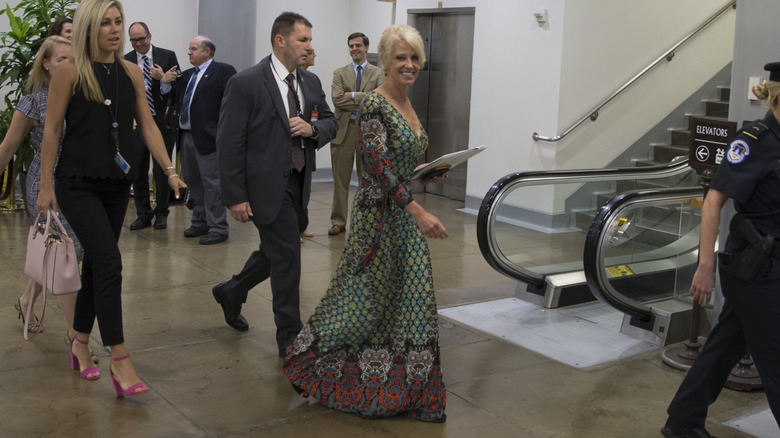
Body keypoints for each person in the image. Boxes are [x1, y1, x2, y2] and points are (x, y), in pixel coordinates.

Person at [283, 24, 448, 422]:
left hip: (402, 211)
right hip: (379, 217)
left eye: (415, 58)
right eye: (401, 58)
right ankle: (309, 361)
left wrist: (426, 172)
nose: (409, 65)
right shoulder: (375, 103)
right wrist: (418, 210)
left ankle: (410, 385)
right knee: (359, 298)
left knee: (411, 299)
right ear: (385, 62)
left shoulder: (407, 104)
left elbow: (398, 164)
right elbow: (377, 165)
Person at [36, 0, 186, 396]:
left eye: (118, 21)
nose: (115, 29)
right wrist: (46, 186)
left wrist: (169, 170)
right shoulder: (69, 71)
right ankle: (120, 358)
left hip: (117, 182)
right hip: (76, 182)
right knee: (109, 261)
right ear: (89, 28)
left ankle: (80, 343)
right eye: (105, 23)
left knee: (95, 265)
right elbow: (52, 130)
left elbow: (148, 125)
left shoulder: (132, 72)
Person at [661, 62, 780, 438]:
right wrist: (704, 266)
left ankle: (683, 421)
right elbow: (713, 201)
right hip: (756, 268)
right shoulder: (756, 141)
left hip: (770, 268)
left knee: (725, 346)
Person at [214, 12, 337, 356]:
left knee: (276, 251)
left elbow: (331, 122)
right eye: (303, 40)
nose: (309, 46)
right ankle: (290, 338)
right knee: (288, 256)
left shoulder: (309, 82)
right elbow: (229, 143)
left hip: (299, 183)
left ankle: (231, 291)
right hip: (264, 187)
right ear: (280, 40)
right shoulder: (246, 83)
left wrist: (312, 129)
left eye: (310, 40)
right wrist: (235, 196)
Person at [0, 36, 80, 339]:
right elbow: (8, 147)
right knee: (64, 256)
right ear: (46, 64)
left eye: (72, 59)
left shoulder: (82, 98)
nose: (68, 65)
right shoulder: (33, 102)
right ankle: (76, 336)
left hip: (79, 184)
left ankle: (26, 300)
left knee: (55, 252)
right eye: (60, 59)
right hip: (46, 185)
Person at [167, 36, 235, 245]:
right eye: (189, 49)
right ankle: (200, 221)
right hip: (186, 136)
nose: (189, 52)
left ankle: (218, 227)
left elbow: (231, 104)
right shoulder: (186, 76)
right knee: (194, 182)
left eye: (194, 49)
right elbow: (174, 100)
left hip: (209, 138)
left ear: (207, 51)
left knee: (212, 183)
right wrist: (164, 83)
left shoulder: (223, 71)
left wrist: (221, 132)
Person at [328, 32, 385, 236]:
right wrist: (365, 100)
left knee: (367, 181)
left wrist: (352, 95)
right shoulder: (339, 73)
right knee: (340, 182)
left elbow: (379, 99)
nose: (354, 49)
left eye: (358, 45)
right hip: (343, 132)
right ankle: (338, 222)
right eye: (351, 46)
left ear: (366, 47)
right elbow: (336, 99)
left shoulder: (378, 73)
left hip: (368, 133)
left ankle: (365, 221)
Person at [124, 22, 179, 230]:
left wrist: (163, 81)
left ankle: (162, 212)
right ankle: (143, 213)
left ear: (149, 36)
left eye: (141, 39)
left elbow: (178, 88)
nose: (138, 44)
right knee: (138, 169)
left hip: (161, 120)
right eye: (134, 40)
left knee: (161, 168)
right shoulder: (125, 60)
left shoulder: (167, 56)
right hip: (137, 121)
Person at [299, 48, 316, 241]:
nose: (314, 56)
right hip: (293, 144)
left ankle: (302, 225)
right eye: (311, 52)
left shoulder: (311, 80)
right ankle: (293, 228)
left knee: (305, 187)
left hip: (309, 141)